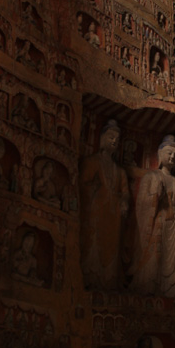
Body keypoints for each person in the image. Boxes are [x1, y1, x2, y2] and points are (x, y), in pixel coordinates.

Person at [130, 135, 175, 297]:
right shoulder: (151, 177)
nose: (172, 157)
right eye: (169, 153)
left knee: (174, 261)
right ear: (160, 155)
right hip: (156, 222)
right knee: (153, 258)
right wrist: (154, 196)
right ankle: (149, 287)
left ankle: (173, 290)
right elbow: (141, 202)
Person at [80, 119, 129, 289]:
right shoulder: (92, 161)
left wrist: (124, 202)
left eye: (117, 139)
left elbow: (125, 193)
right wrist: (94, 190)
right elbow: (82, 185)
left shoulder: (120, 171)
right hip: (96, 213)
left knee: (112, 251)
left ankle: (107, 284)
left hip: (113, 217)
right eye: (111, 137)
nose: (114, 141)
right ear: (102, 138)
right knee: (93, 248)